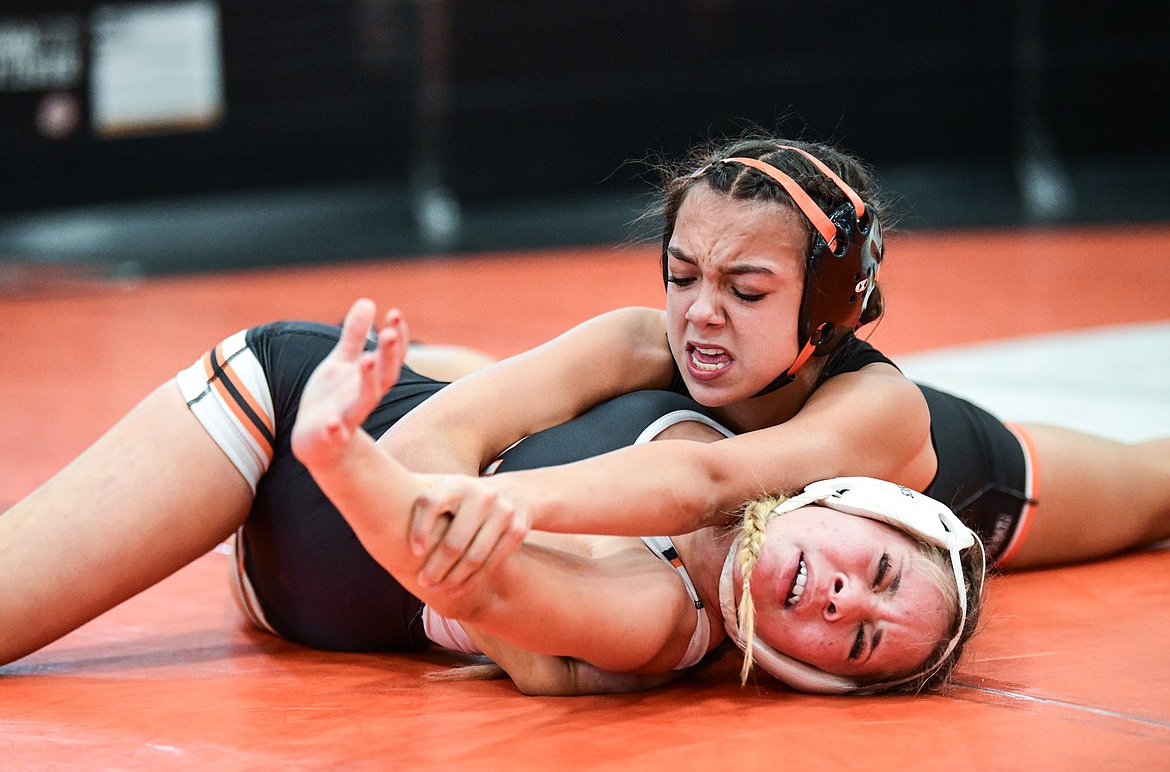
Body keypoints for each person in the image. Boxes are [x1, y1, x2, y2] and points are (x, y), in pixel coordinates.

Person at [0, 298, 982, 696]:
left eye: (856, 638)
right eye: (880, 569)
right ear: (856, 501)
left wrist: (342, 453)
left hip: (323, 489)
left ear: (812, 675)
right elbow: (478, 415)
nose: (847, 599)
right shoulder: (741, 395)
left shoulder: (656, 619)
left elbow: (454, 563)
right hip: (289, 400)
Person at [384, 136, 1170, 589]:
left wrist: (486, 506)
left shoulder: (882, 410)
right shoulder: (638, 339)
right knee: (494, 378)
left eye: (746, 290)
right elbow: (426, 440)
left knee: (1155, 491)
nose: (700, 313)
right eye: (682, 275)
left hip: (993, 482)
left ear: (826, 310)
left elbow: (707, 486)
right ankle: (439, 359)